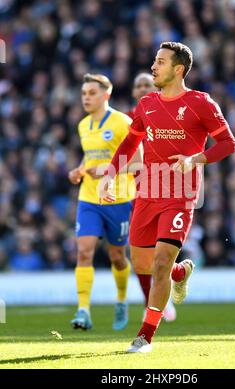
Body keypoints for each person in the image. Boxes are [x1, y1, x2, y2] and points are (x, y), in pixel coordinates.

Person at [100, 42, 235, 352]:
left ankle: (144, 336)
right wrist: (110, 174)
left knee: (160, 263)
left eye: (160, 62)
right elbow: (129, 143)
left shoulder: (201, 103)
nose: (153, 67)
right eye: (154, 61)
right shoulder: (146, 104)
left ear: (178, 69)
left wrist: (195, 160)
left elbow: (228, 144)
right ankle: (181, 271)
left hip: (180, 195)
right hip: (147, 193)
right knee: (144, 264)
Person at [68, 73, 142, 331]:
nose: (86, 97)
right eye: (84, 93)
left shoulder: (123, 122)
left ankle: (121, 299)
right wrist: (78, 170)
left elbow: (137, 163)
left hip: (118, 198)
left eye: (92, 93)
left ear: (106, 95)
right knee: (84, 251)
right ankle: (83, 310)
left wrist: (106, 171)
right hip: (89, 198)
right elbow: (89, 158)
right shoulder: (83, 126)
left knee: (117, 257)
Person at [128, 72, 176, 322]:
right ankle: (154, 300)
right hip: (134, 195)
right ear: (134, 92)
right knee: (139, 256)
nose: (143, 88)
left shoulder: (167, 115)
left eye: (147, 83)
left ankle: (169, 284)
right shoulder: (126, 120)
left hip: (166, 191)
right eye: (139, 85)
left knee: (161, 249)